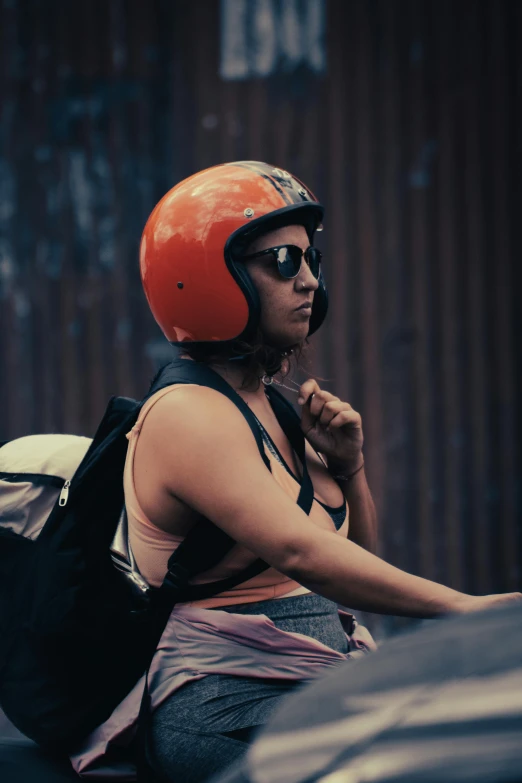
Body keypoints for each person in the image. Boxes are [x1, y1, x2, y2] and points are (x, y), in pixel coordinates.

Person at [118, 162, 520, 783]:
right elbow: (302, 553)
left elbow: (352, 560)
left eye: (312, 261)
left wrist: (350, 468)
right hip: (228, 705)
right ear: (208, 276)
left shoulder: (275, 404)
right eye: (283, 261)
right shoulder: (185, 414)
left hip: (319, 685)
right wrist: (470, 611)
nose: (308, 281)